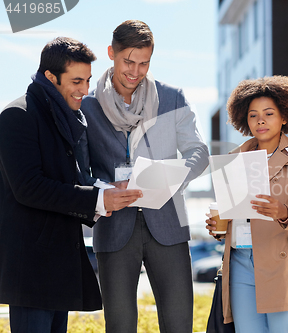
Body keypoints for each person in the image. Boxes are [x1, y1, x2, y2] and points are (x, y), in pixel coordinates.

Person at [0, 37, 143, 333]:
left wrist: (108, 190)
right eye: (76, 81)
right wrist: (98, 200)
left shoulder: (63, 119)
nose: (84, 90)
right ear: (50, 77)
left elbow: (71, 182)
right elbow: (29, 187)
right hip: (32, 271)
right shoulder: (17, 116)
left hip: (57, 266)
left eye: (88, 80)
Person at [80, 20, 209, 333]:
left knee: (179, 324)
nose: (135, 71)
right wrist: (105, 189)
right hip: (114, 226)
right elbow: (81, 170)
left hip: (168, 223)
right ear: (111, 53)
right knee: (120, 326)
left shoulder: (172, 98)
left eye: (144, 63)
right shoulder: (88, 106)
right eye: (128, 61)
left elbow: (198, 152)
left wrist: (172, 176)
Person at [205, 76, 288, 333]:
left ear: (284, 116)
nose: (260, 120)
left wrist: (282, 212)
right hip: (239, 262)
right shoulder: (233, 159)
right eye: (253, 115)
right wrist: (218, 227)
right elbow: (232, 214)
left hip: (283, 263)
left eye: (269, 113)